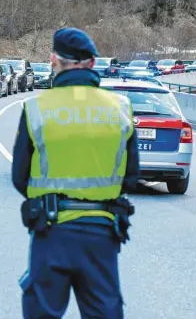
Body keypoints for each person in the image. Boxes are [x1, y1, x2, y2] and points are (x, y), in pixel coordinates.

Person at [12, 27, 140, 319]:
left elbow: (20, 177)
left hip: (51, 230)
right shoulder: (120, 108)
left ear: (53, 60)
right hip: (102, 234)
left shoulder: (36, 108)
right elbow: (132, 175)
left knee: (42, 311)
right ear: (93, 63)